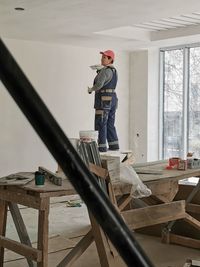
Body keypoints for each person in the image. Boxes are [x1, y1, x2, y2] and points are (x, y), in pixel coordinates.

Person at [88, 50, 119, 152]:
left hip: (104, 100)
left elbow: (99, 84)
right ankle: (114, 146)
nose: (102, 59)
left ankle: (101, 148)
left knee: (100, 123)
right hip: (113, 99)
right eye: (102, 57)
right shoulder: (114, 71)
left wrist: (91, 89)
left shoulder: (105, 71)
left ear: (110, 59)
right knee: (110, 123)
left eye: (104, 57)